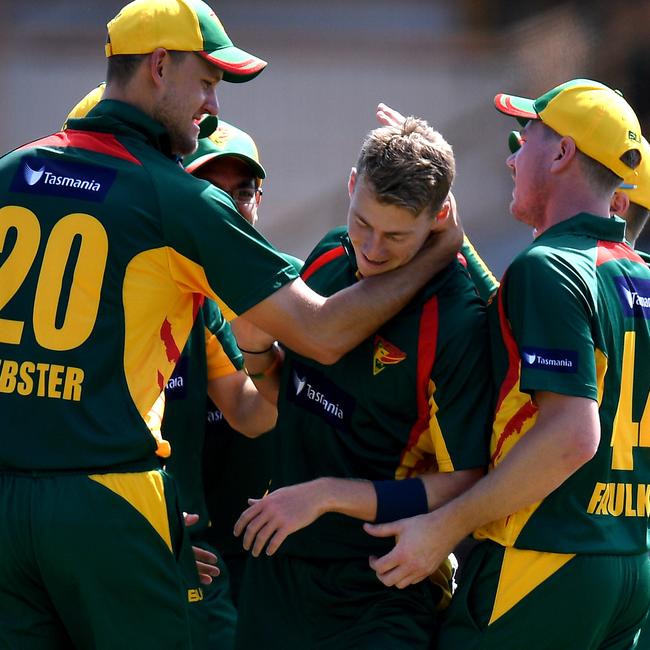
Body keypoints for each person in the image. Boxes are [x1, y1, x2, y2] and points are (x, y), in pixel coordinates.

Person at [0, 0, 463, 647]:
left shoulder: (13, 171)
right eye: (208, 81)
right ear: (160, 66)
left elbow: (251, 407)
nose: (211, 105)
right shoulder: (176, 198)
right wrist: (439, 251)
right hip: (108, 497)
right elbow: (324, 333)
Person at [362, 79, 650, 649]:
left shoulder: (549, 267)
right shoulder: (638, 272)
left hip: (543, 560)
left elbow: (572, 436)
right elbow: (520, 328)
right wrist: (454, 232)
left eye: (529, 140)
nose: (513, 158)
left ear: (563, 153)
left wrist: (443, 526)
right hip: (628, 566)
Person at [232, 117, 492, 649]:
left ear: (439, 218)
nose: (371, 248)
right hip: (277, 569)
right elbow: (302, 398)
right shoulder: (329, 254)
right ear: (351, 186)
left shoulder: (457, 321)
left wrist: (328, 495)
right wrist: (257, 352)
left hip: (382, 589)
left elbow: (472, 479)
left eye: (396, 235)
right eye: (362, 222)